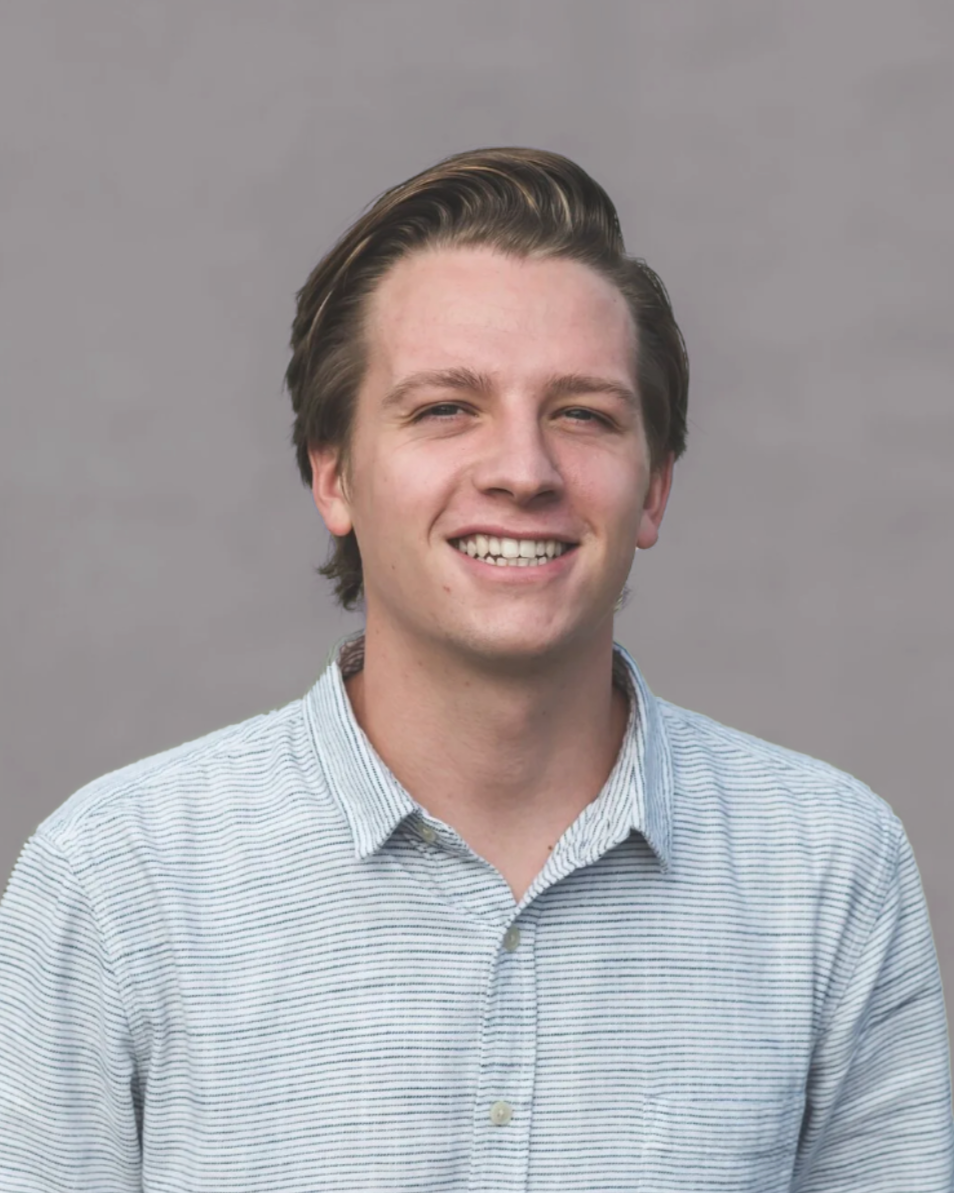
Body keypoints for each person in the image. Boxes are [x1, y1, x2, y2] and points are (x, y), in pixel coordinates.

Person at [0, 147, 951, 1192]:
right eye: (446, 407)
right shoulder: (115, 881)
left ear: (656, 489)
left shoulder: (827, 869)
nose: (522, 470)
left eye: (582, 413)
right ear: (335, 473)